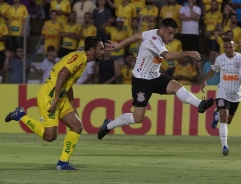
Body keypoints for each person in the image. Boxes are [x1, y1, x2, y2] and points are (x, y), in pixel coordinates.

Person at [97, 18, 214, 140]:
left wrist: (119, 45)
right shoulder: (154, 40)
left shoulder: (152, 33)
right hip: (141, 81)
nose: (172, 36)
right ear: (162, 30)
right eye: (170, 33)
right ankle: (108, 125)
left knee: (176, 86)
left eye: (174, 34)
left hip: (155, 76)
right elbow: (167, 56)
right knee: (138, 118)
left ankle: (199, 104)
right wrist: (188, 53)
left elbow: (137, 36)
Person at [4, 36, 104, 170]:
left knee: (77, 126)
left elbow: (67, 83)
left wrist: (73, 106)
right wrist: (56, 98)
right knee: (50, 136)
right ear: (92, 50)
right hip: (50, 96)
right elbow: (62, 75)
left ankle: (63, 162)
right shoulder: (79, 58)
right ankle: (20, 115)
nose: (103, 51)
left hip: (60, 97)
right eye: (101, 48)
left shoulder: (83, 60)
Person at [200, 38, 241, 156]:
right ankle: (224, 146)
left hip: (236, 94)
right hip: (222, 92)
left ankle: (216, 117)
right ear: (223, 48)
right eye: (226, 47)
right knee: (224, 118)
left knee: (228, 120)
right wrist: (204, 80)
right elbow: (213, 71)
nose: (229, 49)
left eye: (231, 47)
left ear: (235, 47)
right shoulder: (220, 59)